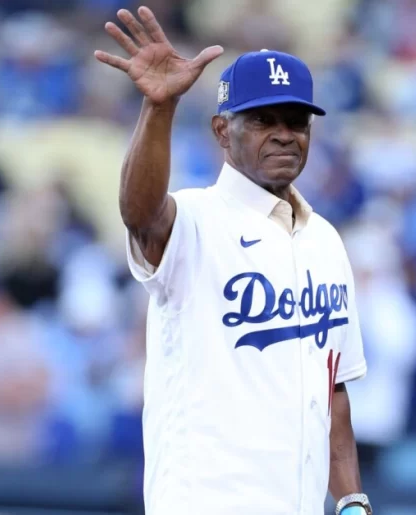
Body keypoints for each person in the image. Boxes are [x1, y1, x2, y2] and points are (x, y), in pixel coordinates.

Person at [95, 7, 371, 515]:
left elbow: (331, 388)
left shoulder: (326, 240)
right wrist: (159, 108)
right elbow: (141, 215)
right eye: (263, 120)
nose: (284, 134)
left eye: (296, 121)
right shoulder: (195, 220)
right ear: (223, 130)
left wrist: (352, 502)